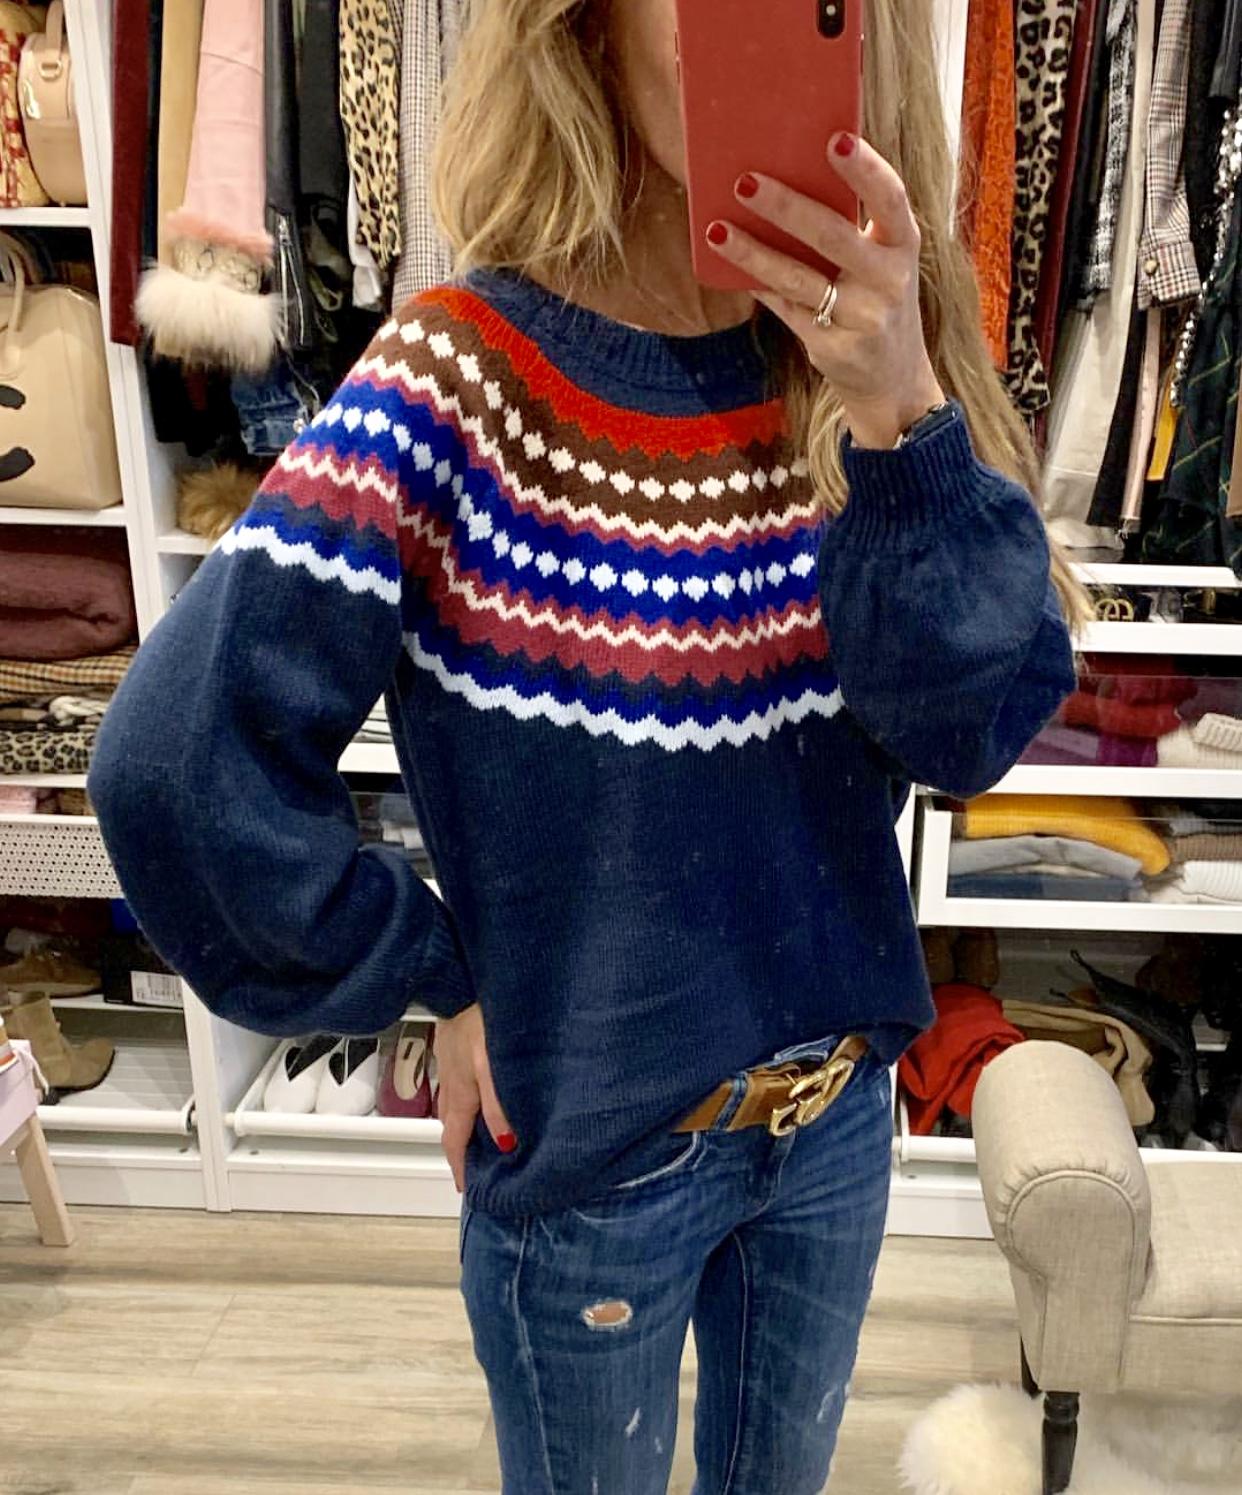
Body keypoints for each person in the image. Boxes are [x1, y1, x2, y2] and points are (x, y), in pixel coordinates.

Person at [88, 1, 1080, 1489]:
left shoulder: (871, 360)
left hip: (834, 1129)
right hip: (595, 1160)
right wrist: (427, 976)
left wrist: (902, 411)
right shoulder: (459, 378)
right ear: (590, 29)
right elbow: (174, 767)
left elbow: (971, 733)